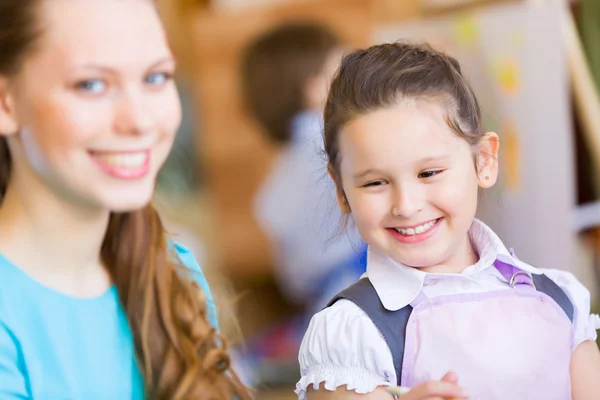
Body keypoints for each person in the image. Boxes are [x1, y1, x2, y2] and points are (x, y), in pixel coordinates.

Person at [296, 42, 600, 399]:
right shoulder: (351, 333)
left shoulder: (560, 299)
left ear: (483, 161)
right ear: (341, 189)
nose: (406, 206)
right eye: (375, 182)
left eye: (429, 173)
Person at [0, 0, 251, 398]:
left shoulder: (174, 272)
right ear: (6, 102)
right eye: (91, 84)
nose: (140, 120)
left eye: (156, 77)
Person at [241, 22, 366, 309]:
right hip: (368, 296)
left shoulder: (279, 175)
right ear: (316, 89)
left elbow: (292, 280)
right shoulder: (342, 146)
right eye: (346, 71)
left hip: (321, 306)